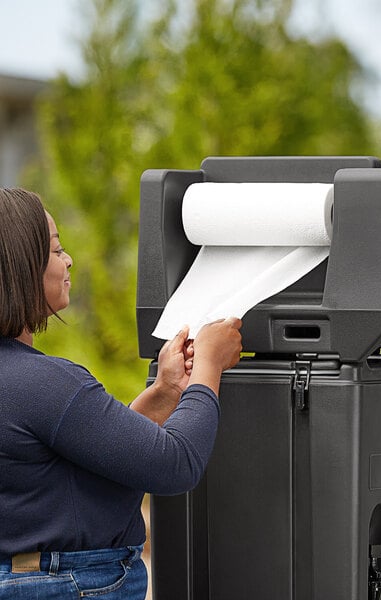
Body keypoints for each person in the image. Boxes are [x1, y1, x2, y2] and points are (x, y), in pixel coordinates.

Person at [0, 187, 242, 599]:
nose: (68, 260)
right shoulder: (46, 383)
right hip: (68, 585)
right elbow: (175, 464)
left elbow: (92, 455)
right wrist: (209, 365)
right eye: (56, 251)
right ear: (21, 268)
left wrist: (165, 391)